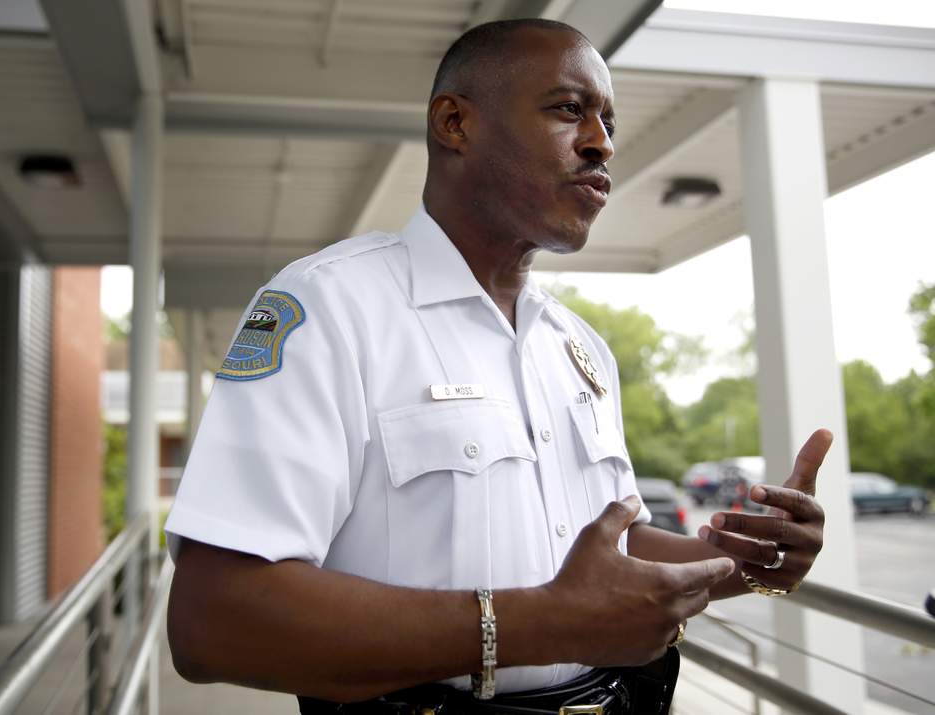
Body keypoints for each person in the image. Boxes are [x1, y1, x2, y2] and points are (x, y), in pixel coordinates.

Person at [165, 18, 829, 714]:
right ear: (455, 123)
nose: (602, 142)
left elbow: (609, 547)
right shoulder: (330, 306)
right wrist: (537, 623)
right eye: (570, 109)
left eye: (607, 119)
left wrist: (744, 563)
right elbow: (214, 619)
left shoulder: (580, 350)